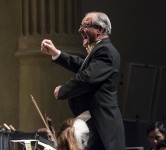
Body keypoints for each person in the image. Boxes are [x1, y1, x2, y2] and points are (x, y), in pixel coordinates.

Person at [41, 11, 126, 150]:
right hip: (95, 124)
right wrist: (56, 53)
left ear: (100, 30)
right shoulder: (100, 50)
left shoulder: (106, 51)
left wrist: (63, 90)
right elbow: (83, 67)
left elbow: (87, 78)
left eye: (85, 26)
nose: (80, 30)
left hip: (102, 127)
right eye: (80, 26)